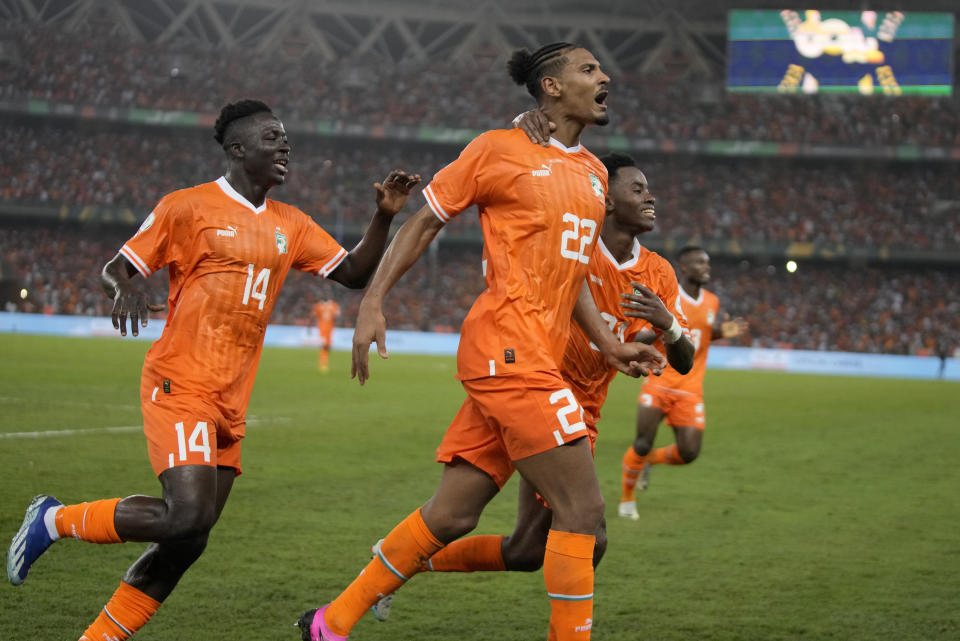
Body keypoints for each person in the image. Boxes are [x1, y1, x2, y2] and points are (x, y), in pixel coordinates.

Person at [5, 99, 421, 641]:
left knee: (188, 541)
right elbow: (118, 267)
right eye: (273, 138)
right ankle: (53, 520)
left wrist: (384, 214)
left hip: (231, 401)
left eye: (286, 138)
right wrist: (126, 285)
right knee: (184, 517)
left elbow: (354, 271)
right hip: (181, 383)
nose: (285, 146)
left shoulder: (290, 224)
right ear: (237, 149)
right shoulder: (188, 207)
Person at [295, 43, 666, 641]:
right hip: (509, 351)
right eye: (589, 69)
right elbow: (424, 222)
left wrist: (607, 344)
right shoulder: (496, 149)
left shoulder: (595, 173)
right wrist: (372, 300)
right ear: (550, 86)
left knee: (454, 514)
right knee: (584, 514)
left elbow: (569, 276)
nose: (605, 77)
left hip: (529, 361)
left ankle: (329, 623)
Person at [369, 150, 694, 584]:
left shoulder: (658, 274)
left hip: (583, 409)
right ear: (607, 200)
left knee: (523, 549)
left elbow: (684, 360)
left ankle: (399, 564)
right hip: (531, 387)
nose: (651, 197)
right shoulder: (569, 244)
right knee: (588, 534)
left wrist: (666, 326)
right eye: (637, 189)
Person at [619, 246, 748, 518]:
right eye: (701, 262)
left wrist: (720, 332)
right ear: (685, 267)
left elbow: (695, 335)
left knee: (689, 452)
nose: (707, 267)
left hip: (690, 387)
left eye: (708, 263)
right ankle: (627, 499)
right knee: (642, 442)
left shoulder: (712, 301)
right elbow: (648, 334)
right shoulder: (669, 296)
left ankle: (649, 461)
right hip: (659, 379)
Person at [313, 299, 341, 372]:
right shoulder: (318, 305)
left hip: (330, 328)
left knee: (328, 346)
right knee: (324, 345)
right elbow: (315, 315)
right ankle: (323, 364)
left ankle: (324, 362)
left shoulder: (333, 305)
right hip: (322, 328)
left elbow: (337, 315)